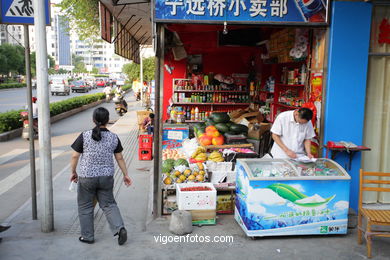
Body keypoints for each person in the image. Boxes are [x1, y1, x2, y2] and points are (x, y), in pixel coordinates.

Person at [70, 107, 132, 245]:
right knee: (109, 204)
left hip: (87, 177)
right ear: (108, 120)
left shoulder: (84, 135)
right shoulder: (113, 137)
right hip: (106, 177)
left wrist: (73, 172)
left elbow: (75, 155)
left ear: (93, 120)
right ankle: (120, 228)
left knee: (85, 206)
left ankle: (87, 236)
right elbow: (120, 158)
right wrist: (125, 174)